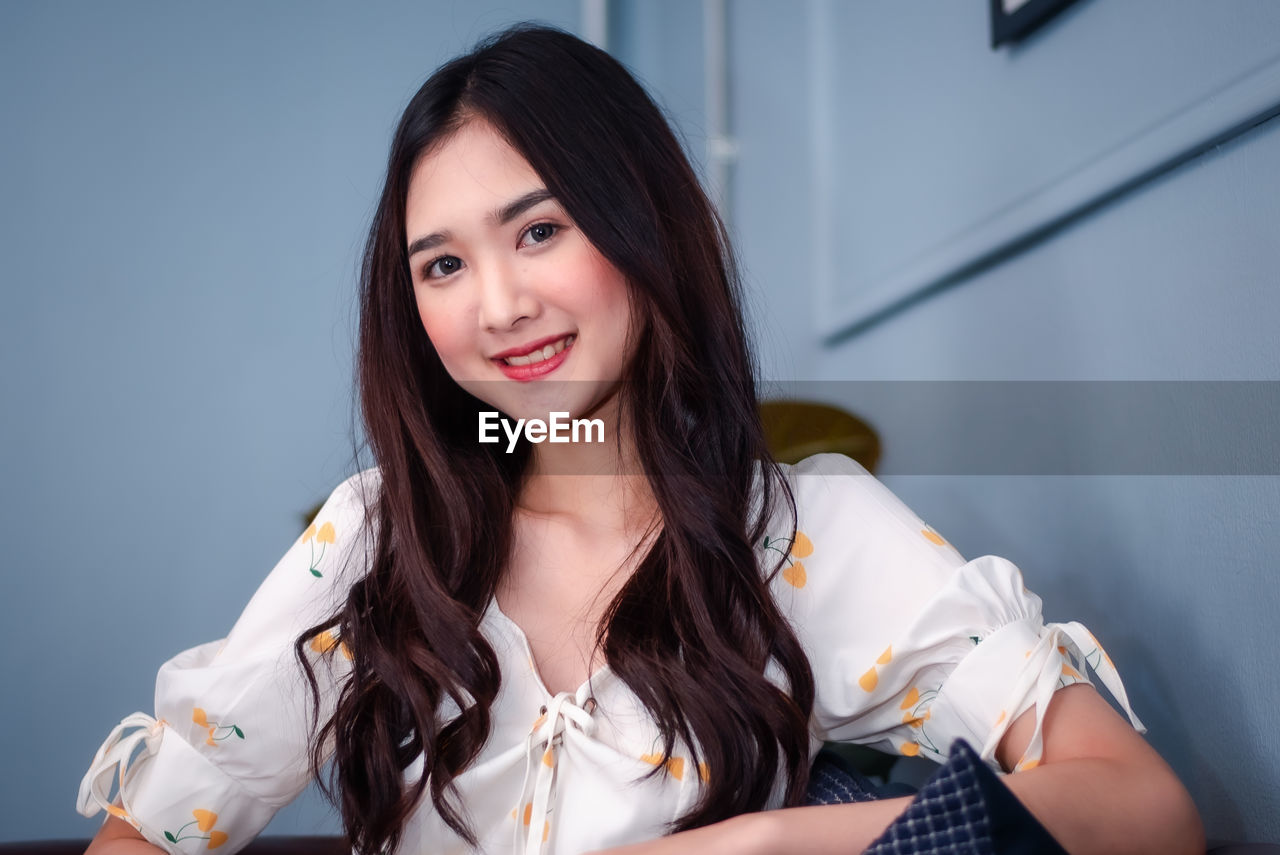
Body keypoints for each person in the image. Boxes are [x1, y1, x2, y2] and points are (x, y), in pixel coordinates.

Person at [79, 24, 1202, 855]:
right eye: (442, 264)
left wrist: (753, 847)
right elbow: (159, 821)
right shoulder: (375, 540)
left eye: (539, 229)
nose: (499, 304)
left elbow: (1140, 810)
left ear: (641, 226)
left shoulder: (806, 532)